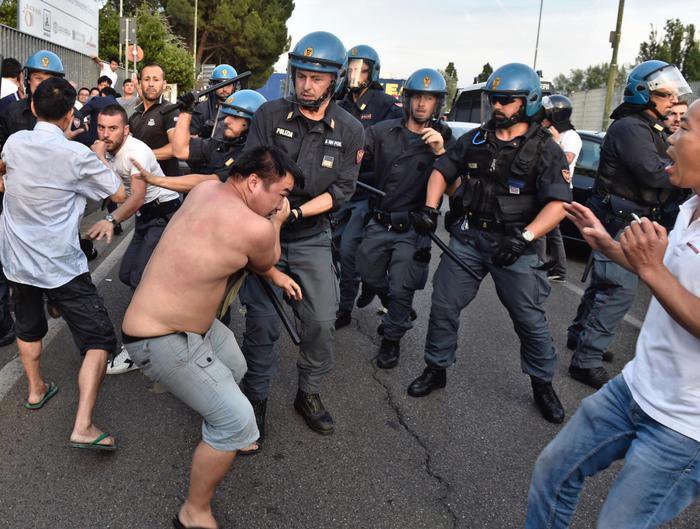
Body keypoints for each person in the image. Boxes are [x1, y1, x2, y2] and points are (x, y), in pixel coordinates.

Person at [525, 99, 700, 529]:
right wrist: (610, 247)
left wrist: (653, 269)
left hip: (684, 430)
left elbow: (660, 277)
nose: (672, 137)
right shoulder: (690, 208)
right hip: (635, 389)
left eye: (686, 129)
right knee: (553, 473)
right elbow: (665, 275)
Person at [121, 146, 301, 529]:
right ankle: (194, 512)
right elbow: (266, 259)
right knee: (239, 424)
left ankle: (213, 416)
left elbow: (203, 183)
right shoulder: (255, 227)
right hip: (160, 338)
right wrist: (278, 222)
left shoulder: (206, 191)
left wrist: (156, 180)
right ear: (253, 182)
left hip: (188, 325)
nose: (281, 202)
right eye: (281, 194)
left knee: (235, 364)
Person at [407, 63, 572, 424]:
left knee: (529, 317)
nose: (497, 107)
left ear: (527, 102)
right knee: (444, 303)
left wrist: (525, 237)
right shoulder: (476, 140)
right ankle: (436, 368)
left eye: (506, 100)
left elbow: (559, 204)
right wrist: (430, 208)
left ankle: (542, 383)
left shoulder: (546, 150)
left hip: (515, 244)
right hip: (469, 237)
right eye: (494, 100)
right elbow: (441, 171)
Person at [239, 31, 364, 445]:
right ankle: (254, 398)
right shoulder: (270, 115)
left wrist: (291, 212)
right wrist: (267, 217)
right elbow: (250, 173)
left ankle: (308, 392)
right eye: (301, 75)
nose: (307, 85)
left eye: (318, 78)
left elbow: (342, 190)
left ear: (337, 81)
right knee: (261, 322)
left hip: (309, 233)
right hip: (260, 231)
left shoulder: (349, 130)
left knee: (322, 320)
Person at [0, 77, 126, 450]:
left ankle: (36, 389)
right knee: (99, 339)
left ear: (34, 108)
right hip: (60, 265)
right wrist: (98, 156)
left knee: (28, 326)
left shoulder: (15, 142)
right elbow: (117, 193)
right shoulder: (79, 156)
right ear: (72, 113)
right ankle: (83, 426)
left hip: (18, 262)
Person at [566, 60, 692, 389]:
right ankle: (587, 358)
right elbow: (653, 171)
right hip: (621, 216)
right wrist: (681, 169)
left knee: (602, 284)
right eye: (664, 95)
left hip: (625, 214)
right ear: (642, 94)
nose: (671, 101)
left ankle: (580, 335)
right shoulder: (632, 127)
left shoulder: (647, 127)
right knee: (618, 289)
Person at [356, 68, 454, 368]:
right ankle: (387, 297)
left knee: (402, 287)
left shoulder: (444, 137)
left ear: (438, 104)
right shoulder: (382, 131)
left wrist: (441, 152)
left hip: (414, 228)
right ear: (407, 99)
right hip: (379, 220)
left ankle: (391, 338)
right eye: (417, 97)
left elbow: (454, 187)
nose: (422, 104)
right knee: (368, 274)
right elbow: (358, 159)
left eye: (430, 99)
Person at [85, 104, 181, 375]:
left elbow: (136, 197)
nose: (106, 134)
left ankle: (140, 347)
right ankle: (166, 320)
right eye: (101, 127)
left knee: (142, 278)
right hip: (145, 218)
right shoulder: (105, 149)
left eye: (113, 128)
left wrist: (112, 220)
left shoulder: (134, 152)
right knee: (127, 274)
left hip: (163, 213)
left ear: (125, 130)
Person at [333, 44, 403, 329]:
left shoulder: (384, 104)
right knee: (336, 248)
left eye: (361, 68)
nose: (354, 74)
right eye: (350, 67)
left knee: (350, 249)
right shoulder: (340, 102)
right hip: (340, 190)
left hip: (367, 192)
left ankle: (345, 308)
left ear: (373, 71)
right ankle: (369, 287)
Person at [167, 89, 267, 189]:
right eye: (227, 115)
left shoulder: (253, 158)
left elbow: (211, 183)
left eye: (235, 117)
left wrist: (156, 179)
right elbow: (180, 151)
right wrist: (185, 112)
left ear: (252, 124)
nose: (226, 120)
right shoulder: (221, 144)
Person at [537, 94, 582, 283]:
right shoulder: (545, 132)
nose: (543, 119)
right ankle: (557, 268)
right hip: (543, 186)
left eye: (547, 115)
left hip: (558, 190)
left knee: (542, 229)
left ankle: (540, 266)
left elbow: (567, 159)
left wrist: (554, 141)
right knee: (551, 231)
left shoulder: (571, 136)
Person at [0, 50, 66, 149]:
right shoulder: (11, 111)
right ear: (28, 80)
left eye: (50, 79)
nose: (44, 84)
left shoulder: (70, 114)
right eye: (38, 78)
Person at [129, 63, 180, 176]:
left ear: (164, 83)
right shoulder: (134, 116)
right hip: (139, 183)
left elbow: (175, 148)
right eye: (146, 79)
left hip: (166, 187)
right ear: (140, 83)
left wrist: (142, 155)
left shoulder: (170, 110)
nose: (151, 84)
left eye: (156, 79)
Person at [190, 64, 238, 139]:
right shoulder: (200, 109)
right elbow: (188, 141)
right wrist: (201, 135)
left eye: (228, 85)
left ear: (234, 87)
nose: (224, 89)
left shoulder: (240, 109)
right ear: (212, 85)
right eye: (220, 85)